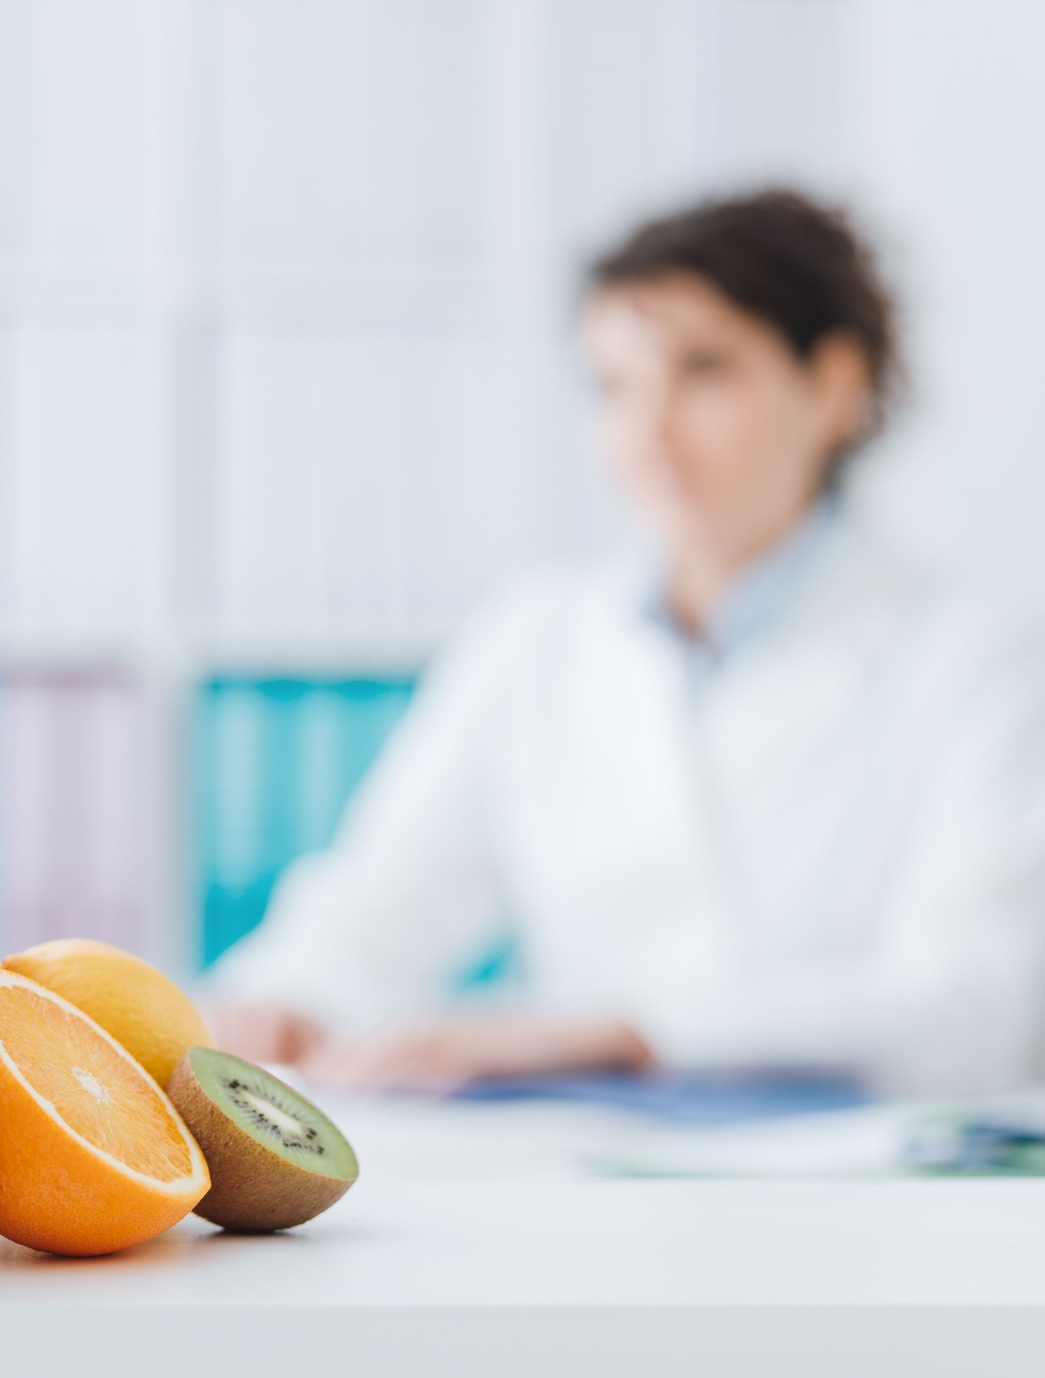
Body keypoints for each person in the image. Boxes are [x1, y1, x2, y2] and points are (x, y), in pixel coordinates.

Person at [207, 190, 1045, 1097]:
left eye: (705, 370)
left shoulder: (974, 659)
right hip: (597, 1168)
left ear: (833, 385)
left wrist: (628, 1032)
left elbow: (975, 1003)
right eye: (614, 385)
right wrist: (289, 995)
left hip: (877, 1189)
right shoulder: (536, 639)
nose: (649, 429)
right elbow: (386, 894)